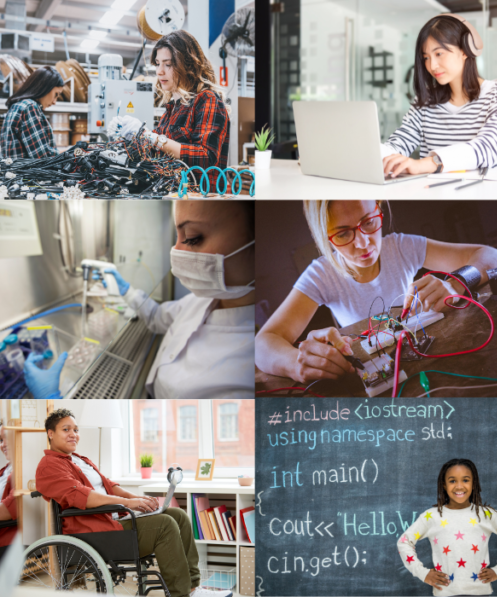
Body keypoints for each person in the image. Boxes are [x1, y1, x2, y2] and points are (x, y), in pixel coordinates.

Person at [254, 200, 497, 383]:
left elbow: (493, 256)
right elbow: (263, 344)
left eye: (369, 222)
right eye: (343, 233)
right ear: (325, 237)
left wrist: (458, 280)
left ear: (378, 209)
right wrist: (296, 365)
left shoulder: (401, 246)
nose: (363, 243)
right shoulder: (321, 274)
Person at [23, 201, 255, 399]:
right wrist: (125, 290)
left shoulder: (247, 377)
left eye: (193, 238)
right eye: (178, 236)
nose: (176, 251)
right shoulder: (203, 300)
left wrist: (53, 403)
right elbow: (156, 317)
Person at [35, 409, 231, 597]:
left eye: (76, 430)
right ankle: (182, 594)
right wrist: (129, 503)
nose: (73, 434)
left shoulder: (80, 460)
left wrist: (138, 499)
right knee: (165, 525)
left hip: (112, 519)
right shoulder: (49, 465)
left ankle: (194, 587)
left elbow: (110, 486)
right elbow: (85, 496)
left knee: (178, 516)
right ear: (50, 434)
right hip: (95, 531)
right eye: (66, 429)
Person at [381, 14, 497, 178]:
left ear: (465, 50)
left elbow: (487, 148)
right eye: (426, 58)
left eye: (439, 54)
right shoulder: (426, 99)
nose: (431, 66)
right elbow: (402, 141)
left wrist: (427, 163)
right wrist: (376, 155)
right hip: (434, 194)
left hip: (485, 195)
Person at [108, 30, 230, 190]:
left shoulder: (207, 100)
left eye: (168, 64)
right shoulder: (172, 109)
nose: (159, 71)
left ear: (187, 64)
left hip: (200, 197)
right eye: (158, 64)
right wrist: (132, 136)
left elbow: (206, 156)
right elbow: (156, 155)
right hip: (172, 194)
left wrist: (150, 137)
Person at [396, 458, 497, 595]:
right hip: (444, 592)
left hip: (481, 592)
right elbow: (404, 542)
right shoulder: (431, 516)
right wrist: (422, 573)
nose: (459, 486)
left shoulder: (486, 514)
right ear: (444, 485)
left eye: (466, 480)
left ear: (474, 484)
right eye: (452, 481)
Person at [0, 66, 65, 159]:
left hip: (16, 172)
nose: (55, 101)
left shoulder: (19, 105)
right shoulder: (29, 107)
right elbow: (42, 157)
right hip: (28, 173)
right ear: (45, 87)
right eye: (56, 94)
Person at [0, 422, 17, 548]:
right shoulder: (4, 471)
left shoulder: (24, 470)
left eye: (7, 437)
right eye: (0, 440)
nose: (3, 444)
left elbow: (13, 506)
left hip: (8, 539)